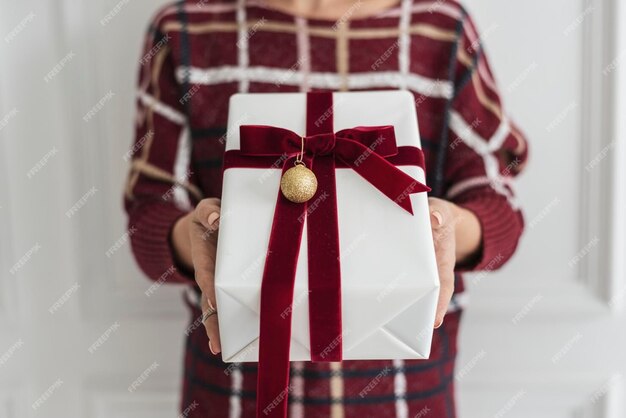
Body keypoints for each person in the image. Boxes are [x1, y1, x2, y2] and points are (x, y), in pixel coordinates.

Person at [124, 0, 528, 416]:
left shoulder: (441, 29)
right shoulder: (184, 31)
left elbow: (500, 214)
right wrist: (198, 238)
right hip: (234, 398)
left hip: (407, 399)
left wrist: (446, 228)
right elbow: (149, 222)